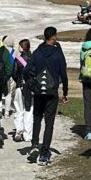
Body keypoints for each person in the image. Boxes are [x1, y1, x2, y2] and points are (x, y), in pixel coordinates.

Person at [27, 26, 69, 166]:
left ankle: (34, 145)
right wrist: (65, 92)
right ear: (54, 37)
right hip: (51, 91)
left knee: (37, 118)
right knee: (49, 122)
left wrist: (31, 83)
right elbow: (63, 74)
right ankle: (44, 154)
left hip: (39, 90)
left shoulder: (37, 52)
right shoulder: (57, 53)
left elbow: (27, 70)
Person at [12, 38, 33, 143]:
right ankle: (28, 134)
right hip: (31, 88)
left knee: (19, 109)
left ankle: (18, 132)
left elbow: (14, 73)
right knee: (29, 110)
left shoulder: (19, 59)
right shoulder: (33, 59)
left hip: (20, 86)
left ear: (21, 47)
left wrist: (18, 81)